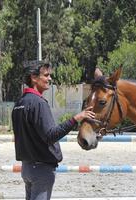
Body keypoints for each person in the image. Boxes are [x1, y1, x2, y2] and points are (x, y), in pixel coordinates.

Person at [12, 60, 95, 200]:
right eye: (46, 75)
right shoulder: (39, 103)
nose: (50, 78)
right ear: (34, 77)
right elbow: (51, 135)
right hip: (41, 169)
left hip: (27, 168)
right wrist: (76, 118)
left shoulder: (19, 104)